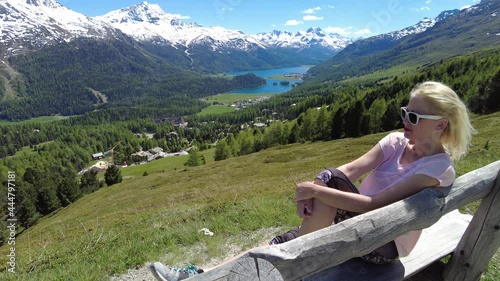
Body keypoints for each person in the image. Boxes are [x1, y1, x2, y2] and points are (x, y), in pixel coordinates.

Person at [150, 81, 476, 281]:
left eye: (414, 117)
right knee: (279, 240)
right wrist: (317, 183)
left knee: (313, 210)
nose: (405, 121)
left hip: (383, 242)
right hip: (355, 224)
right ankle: (203, 277)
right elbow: (347, 171)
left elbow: (378, 206)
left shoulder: (437, 169)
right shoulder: (395, 143)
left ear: (441, 125)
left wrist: (316, 190)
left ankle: (296, 257)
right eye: (405, 112)